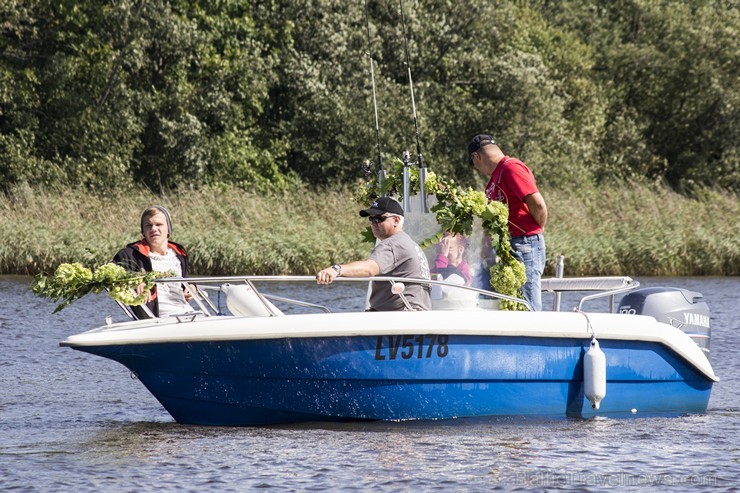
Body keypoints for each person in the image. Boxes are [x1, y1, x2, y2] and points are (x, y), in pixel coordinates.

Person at [468, 134, 548, 311]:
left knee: (526, 301)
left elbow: (539, 205)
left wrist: (534, 232)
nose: (477, 170)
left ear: (477, 157)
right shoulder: (495, 179)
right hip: (505, 248)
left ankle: (533, 335)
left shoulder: (511, 168)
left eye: (474, 166)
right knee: (494, 298)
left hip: (524, 243)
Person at [316, 196, 432, 311]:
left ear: (396, 220)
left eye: (379, 218)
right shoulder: (411, 244)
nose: (373, 223)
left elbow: (370, 268)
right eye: (371, 219)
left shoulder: (393, 244)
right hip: (417, 315)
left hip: (399, 317)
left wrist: (336, 269)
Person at [113, 205, 194, 318]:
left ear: (168, 229)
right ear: (143, 231)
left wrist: (191, 287)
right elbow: (115, 276)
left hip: (187, 312)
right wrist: (135, 281)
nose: (153, 229)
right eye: (148, 225)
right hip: (158, 319)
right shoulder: (130, 254)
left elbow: (186, 278)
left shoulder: (179, 253)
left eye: (159, 224)